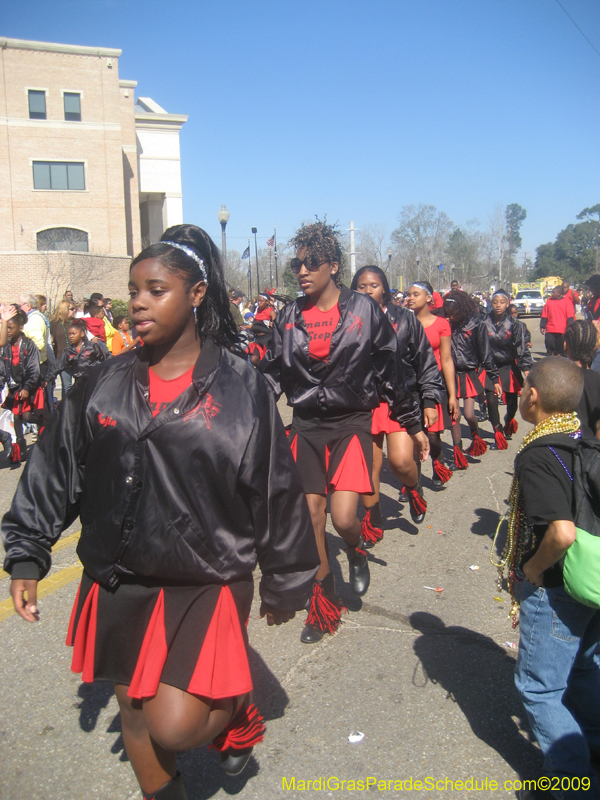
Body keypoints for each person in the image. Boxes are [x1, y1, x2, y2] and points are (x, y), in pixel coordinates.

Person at [2, 224, 319, 800]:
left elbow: (274, 487)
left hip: (207, 573)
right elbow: (56, 468)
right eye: (133, 290)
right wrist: (26, 552)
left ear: (196, 293)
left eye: (155, 289)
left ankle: (237, 714)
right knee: (132, 706)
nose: (138, 303)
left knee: (175, 723)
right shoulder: (99, 383)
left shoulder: (242, 386)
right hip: (121, 572)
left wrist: (285, 578)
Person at [261, 220, 427, 644]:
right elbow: (271, 376)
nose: (302, 271)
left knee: (344, 517)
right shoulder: (288, 316)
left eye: (312, 263)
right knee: (312, 518)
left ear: (333, 266)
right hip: (306, 427)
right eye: (297, 264)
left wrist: (412, 423)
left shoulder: (363, 309)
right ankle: (324, 598)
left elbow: (391, 370)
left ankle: (355, 548)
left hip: (351, 423)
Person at [498, 357, 600, 799]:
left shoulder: (539, 454)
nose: (520, 393)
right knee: (583, 670)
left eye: (523, 388)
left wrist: (529, 570)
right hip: (593, 581)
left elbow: (560, 532)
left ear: (532, 397)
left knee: (539, 688)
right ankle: (591, 746)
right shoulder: (584, 438)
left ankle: (574, 784)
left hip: (558, 587)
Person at [351, 267, 442, 530]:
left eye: (374, 285)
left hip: (401, 399)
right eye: (361, 286)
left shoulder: (405, 318)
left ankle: (414, 489)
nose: (368, 291)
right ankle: (373, 518)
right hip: (363, 401)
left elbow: (425, 360)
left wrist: (428, 400)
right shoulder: (348, 319)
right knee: (369, 466)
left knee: (401, 461)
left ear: (386, 288)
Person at [405, 281, 460, 487]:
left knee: (433, 435)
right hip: (411, 386)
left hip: (435, 385)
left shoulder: (441, 324)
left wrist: (453, 395)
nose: (410, 298)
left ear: (429, 298)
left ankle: (439, 461)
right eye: (408, 294)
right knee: (413, 434)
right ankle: (413, 482)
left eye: (415, 294)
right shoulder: (403, 322)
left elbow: (446, 360)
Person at [443, 290, 500, 468]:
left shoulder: (477, 324)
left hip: (469, 373)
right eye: (448, 313)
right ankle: (458, 454)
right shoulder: (446, 324)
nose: (451, 317)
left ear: (463, 308)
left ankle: (476, 435)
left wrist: (494, 378)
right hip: (450, 374)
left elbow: (486, 353)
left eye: (454, 313)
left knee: (469, 414)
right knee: (454, 417)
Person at [483, 289, 532, 448]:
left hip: (509, 366)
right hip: (491, 366)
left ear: (507, 303)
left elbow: (522, 348)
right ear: (491, 303)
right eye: (495, 302)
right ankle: (497, 433)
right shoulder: (484, 322)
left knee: (512, 404)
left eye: (502, 302)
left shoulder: (516, 324)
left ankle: (508, 421)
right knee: (491, 401)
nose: (498, 305)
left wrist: (526, 369)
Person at [0, 308, 44, 464]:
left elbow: (34, 369)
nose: (8, 331)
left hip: (29, 387)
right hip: (15, 387)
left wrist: (26, 387)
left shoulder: (29, 345)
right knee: (16, 416)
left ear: (20, 328)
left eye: (10, 328)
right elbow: (2, 369)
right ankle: (21, 449)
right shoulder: (5, 346)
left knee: (26, 416)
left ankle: (43, 421)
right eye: (6, 328)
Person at [565, 320, 600, 440]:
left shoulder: (558, 378)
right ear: (595, 346)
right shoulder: (597, 379)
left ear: (565, 346)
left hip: (562, 447)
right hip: (591, 447)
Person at [46, 319, 107, 384]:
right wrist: (47, 379)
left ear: (82, 334)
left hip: (93, 380)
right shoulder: (68, 351)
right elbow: (57, 365)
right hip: (79, 382)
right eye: (69, 334)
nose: (71, 336)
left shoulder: (92, 347)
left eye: (73, 334)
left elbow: (105, 359)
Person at [50, 300, 77, 396]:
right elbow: (50, 340)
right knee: (67, 385)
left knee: (79, 385)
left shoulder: (75, 322)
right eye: (72, 309)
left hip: (76, 357)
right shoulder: (54, 324)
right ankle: (66, 408)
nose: (74, 311)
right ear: (64, 310)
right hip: (62, 359)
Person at [540, 285, 574, 356]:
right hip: (550, 329)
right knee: (550, 345)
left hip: (562, 330)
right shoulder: (549, 302)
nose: (551, 294)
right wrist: (542, 326)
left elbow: (570, 317)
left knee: (560, 348)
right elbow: (544, 315)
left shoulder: (567, 302)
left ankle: (559, 359)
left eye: (553, 292)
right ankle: (551, 357)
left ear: (559, 294)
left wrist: (570, 328)